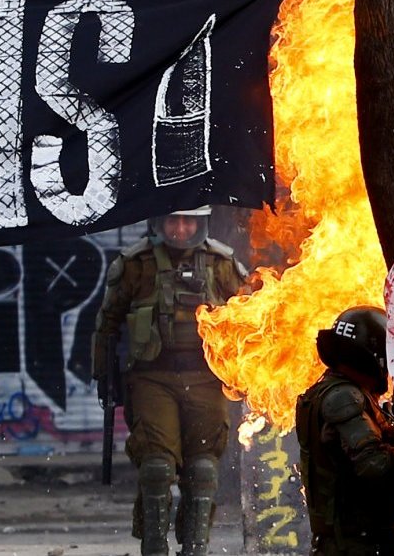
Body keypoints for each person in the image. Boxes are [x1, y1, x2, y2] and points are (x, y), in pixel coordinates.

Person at [91, 206, 248, 556]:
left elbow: (249, 317)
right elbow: (108, 323)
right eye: (173, 220)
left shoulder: (221, 263)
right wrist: (105, 377)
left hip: (207, 379)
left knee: (203, 468)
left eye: (188, 220)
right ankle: (154, 547)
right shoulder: (136, 264)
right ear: (158, 223)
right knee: (158, 468)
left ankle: (195, 548)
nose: (180, 228)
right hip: (152, 378)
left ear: (200, 222)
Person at [295, 305, 394, 556]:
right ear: (373, 357)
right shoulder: (344, 397)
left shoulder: (334, 391)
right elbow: (374, 465)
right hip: (357, 546)